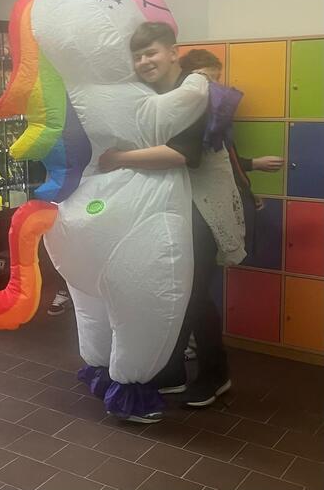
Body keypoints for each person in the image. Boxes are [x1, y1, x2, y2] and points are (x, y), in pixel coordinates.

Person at [99, 26, 283, 407]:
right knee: (183, 291)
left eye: (151, 52)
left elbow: (182, 155)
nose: (144, 61)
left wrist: (118, 158)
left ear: (172, 53)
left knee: (192, 292)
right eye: (137, 56)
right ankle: (178, 371)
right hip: (177, 205)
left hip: (205, 207)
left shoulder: (194, 93)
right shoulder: (157, 94)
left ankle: (213, 374)